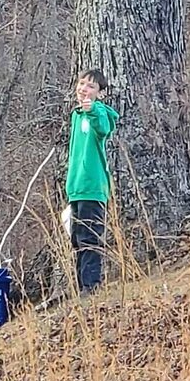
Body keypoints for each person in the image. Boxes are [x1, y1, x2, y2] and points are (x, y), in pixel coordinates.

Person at [65, 69, 119, 295]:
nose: (84, 89)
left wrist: (94, 109)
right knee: (77, 240)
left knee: (90, 238)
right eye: (82, 83)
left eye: (91, 86)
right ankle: (80, 287)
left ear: (100, 94)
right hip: (76, 189)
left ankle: (92, 285)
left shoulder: (99, 113)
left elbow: (104, 128)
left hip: (93, 188)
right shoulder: (76, 116)